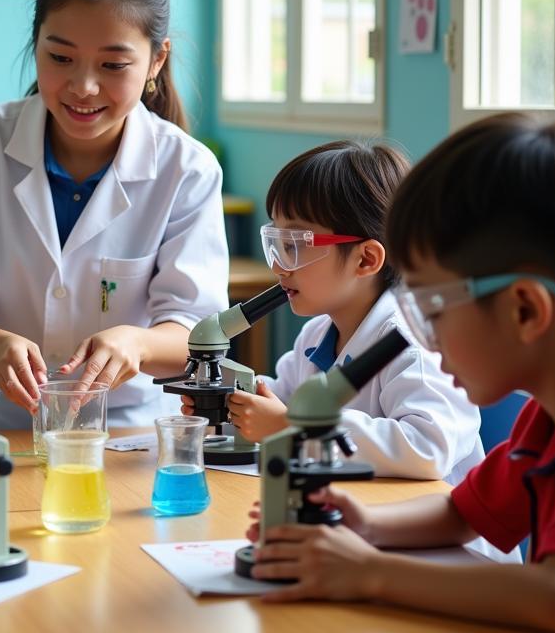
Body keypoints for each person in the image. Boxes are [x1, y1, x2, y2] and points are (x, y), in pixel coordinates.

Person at [249, 113, 555, 633]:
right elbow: (463, 512)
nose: (417, 333)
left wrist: (367, 570)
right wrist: (363, 527)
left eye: (430, 308)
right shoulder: (543, 419)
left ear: (525, 309)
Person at [0, 0, 229, 429]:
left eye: (113, 65)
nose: (83, 87)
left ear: (156, 62)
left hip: (130, 431)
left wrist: (136, 343)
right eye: (60, 58)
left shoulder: (187, 169)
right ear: (36, 43)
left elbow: (197, 328)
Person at [188, 140, 488, 488]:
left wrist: (293, 428)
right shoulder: (317, 335)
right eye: (276, 243)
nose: (279, 267)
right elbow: (282, 399)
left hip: (432, 536)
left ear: (366, 259)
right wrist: (231, 401)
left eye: (295, 246)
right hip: (359, 520)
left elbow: (427, 448)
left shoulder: (412, 345)